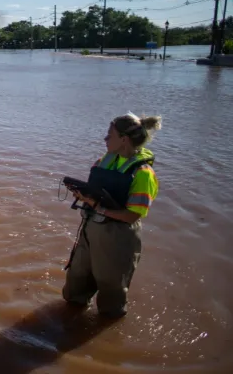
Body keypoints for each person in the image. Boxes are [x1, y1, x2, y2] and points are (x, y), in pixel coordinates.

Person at [62, 112, 162, 318]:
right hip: (91, 229)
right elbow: (96, 191)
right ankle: (70, 323)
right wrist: (83, 196)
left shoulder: (143, 174)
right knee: (76, 284)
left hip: (117, 237)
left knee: (111, 294)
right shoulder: (102, 161)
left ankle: (104, 328)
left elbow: (132, 216)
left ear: (123, 140)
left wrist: (99, 208)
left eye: (109, 135)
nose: (105, 139)